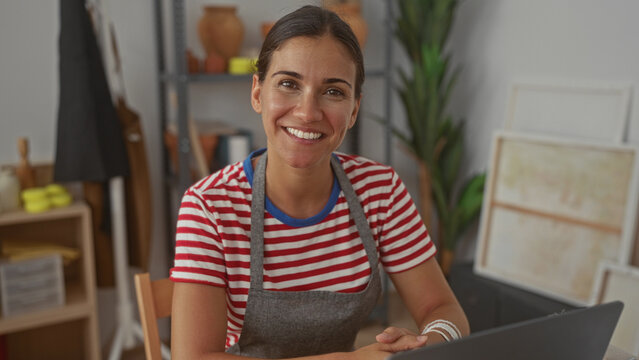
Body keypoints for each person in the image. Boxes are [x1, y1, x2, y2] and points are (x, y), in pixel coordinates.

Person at [170, 5, 469, 360]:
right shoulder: (210, 207)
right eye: (288, 84)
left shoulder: (380, 191)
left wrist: (425, 345)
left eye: (333, 92)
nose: (308, 112)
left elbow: (446, 311)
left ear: (354, 110)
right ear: (256, 93)